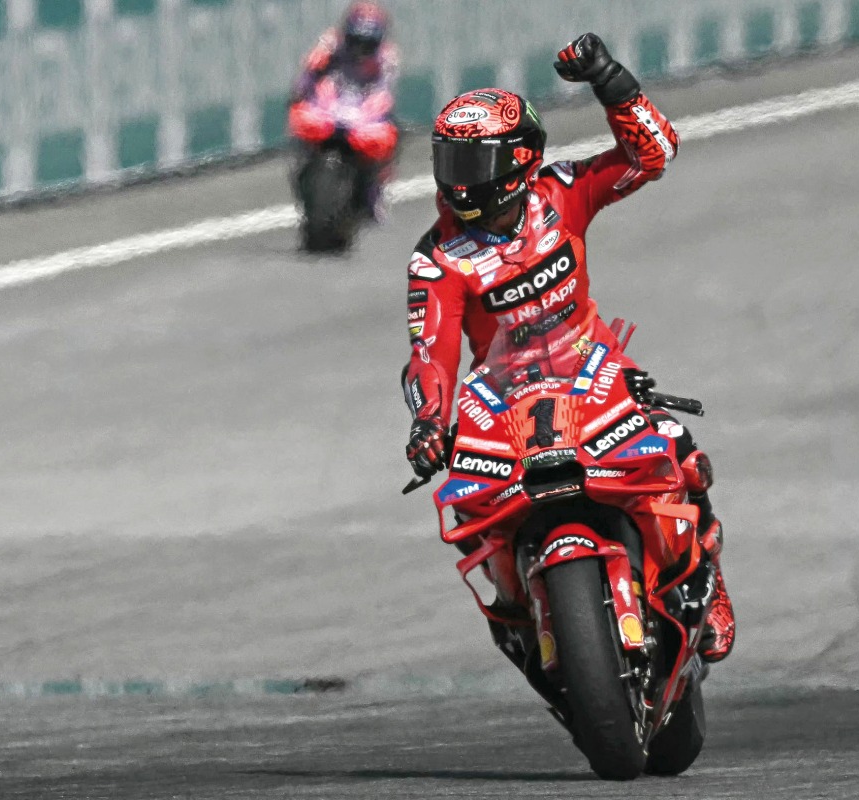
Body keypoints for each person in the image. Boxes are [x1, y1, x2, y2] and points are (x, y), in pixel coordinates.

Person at [400, 33, 734, 663]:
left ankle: (707, 580)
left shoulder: (560, 193)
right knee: (472, 504)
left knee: (677, 446)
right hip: (501, 396)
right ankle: (516, 612)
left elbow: (653, 154)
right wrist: (427, 422)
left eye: (471, 166)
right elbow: (430, 351)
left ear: (518, 161)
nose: (456, 182)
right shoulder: (436, 257)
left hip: (595, 366)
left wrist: (610, 81)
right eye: (449, 163)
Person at [288, 2, 399, 219]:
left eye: (367, 44)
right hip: (330, 103)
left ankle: (375, 190)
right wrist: (301, 91)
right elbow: (309, 72)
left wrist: (377, 109)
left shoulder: (387, 57)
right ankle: (303, 168)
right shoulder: (329, 43)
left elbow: (384, 91)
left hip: (362, 107)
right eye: (355, 41)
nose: (360, 50)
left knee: (392, 134)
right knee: (301, 128)